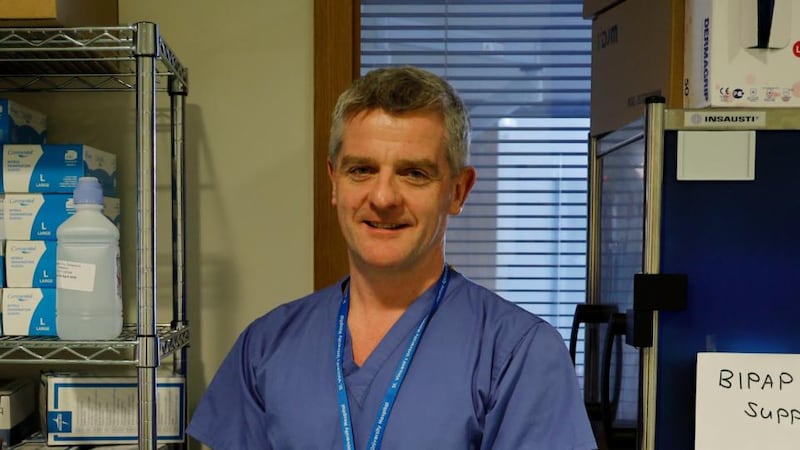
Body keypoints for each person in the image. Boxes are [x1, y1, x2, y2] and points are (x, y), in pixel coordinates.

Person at [186, 66, 597, 449]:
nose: (382, 198)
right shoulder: (266, 347)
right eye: (361, 170)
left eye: (414, 173)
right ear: (334, 182)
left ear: (458, 191)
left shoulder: (517, 355)